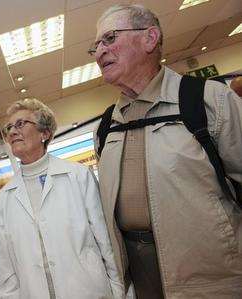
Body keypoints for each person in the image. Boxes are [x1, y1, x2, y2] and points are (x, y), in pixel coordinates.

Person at [89, 4, 242, 299]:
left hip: (211, 277)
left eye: (109, 38)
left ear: (149, 38)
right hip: (141, 275)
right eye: (95, 46)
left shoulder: (209, 101)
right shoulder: (107, 127)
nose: (99, 52)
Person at [0, 98, 123, 298]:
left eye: (20, 124)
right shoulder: (3, 199)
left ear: (44, 133)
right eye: (8, 128)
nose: (12, 132)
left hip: (87, 291)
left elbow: (106, 241)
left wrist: (118, 290)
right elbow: (5, 267)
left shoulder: (79, 176)